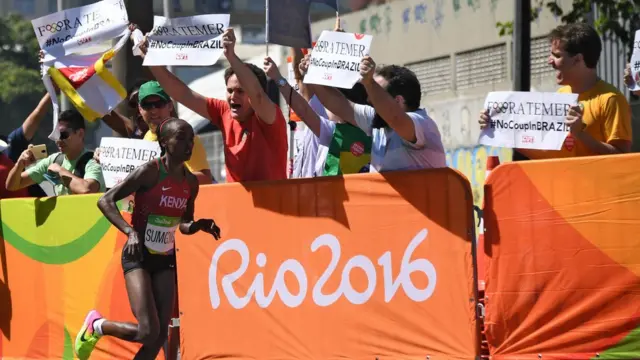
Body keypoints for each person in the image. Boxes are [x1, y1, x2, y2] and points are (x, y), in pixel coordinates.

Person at [74, 118, 221, 360]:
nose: (189, 145)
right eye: (181, 138)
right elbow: (105, 200)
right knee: (147, 331)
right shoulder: (150, 172)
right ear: (164, 142)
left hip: (164, 258)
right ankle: (97, 325)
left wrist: (197, 225)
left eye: (191, 140)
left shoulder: (190, 183)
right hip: (138, 255)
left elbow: (182, 224)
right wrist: (130, 232)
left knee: (159, 336)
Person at [138, 28, 288, 183]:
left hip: (274, 204)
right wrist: (151, 61)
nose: (233, 96)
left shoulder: (269, 116)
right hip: (237, 204)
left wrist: (231, 56)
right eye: (229, 90)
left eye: (240, 91)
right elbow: (182, 94)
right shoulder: (223, 112)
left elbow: (257, 95)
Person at [480, 23, 632, 159]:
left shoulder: (610, 100)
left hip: (596, 189)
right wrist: (502, 129)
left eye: (557, 55)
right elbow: (548, 154)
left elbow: (621, 158)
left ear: (578, 59)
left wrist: (580, 134)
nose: (549, 60)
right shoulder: (560, 96)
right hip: (561, 187)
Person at [301, 54, 446, 172]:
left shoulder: (422, 124)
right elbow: (339, 105)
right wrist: (314, 75)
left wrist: (370, 82)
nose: (369, 98)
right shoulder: (377, 120)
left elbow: (395, 118)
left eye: (375, 92)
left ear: (398, 101)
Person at [264, 55, 372, 176]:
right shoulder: (333, 130)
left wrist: (278, 78)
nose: (329, 105)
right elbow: (303, 109)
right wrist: (278, 78)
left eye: (331, 100)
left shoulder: (377, 132)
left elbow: (303, 109)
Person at [5, 109, 105, 196]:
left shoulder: (93, 160)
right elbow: (12, 186)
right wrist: (19, 165)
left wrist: (59, 171)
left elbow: (87, 190)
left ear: (80, 134)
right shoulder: (54, 160)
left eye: (63, 134)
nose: (58, 140)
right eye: (55, 135)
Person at [136, 81, 213, 184]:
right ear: (140, 109)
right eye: (147, 105)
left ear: (170, 106)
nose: (153, 111)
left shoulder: (186, 137)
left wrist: (168, 177)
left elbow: (205, 179)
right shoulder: (146, 138)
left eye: (159, 104)